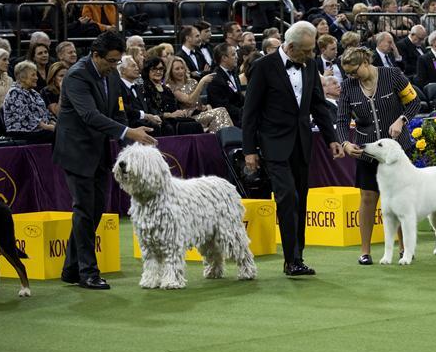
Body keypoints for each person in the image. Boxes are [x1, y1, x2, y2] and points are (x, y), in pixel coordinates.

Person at [54, 31, 158, 290]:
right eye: (111, 61)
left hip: (100, 151)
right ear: (96, 55)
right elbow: (89, 115)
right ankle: (87, 272)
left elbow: (118, 113)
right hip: (76, 151)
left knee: (96, 209)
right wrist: (128, 132)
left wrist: (131, 145)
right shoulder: (77, 75)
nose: (115, 66)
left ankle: (70, 268)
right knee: (84, 209)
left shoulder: (111, 76)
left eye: (117, 61)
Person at [242, 21, 344, 277]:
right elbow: (250, 112)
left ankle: (296, 258)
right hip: (273, 144)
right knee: (288, 198)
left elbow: (318, 105)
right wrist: (249, 149)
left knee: (301, 201)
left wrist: (332, 138)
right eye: (307, 51)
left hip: (302, 143)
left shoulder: (309, 66)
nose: (311, 56)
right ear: (290, 46)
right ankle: (291, 259)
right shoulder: (263, 67)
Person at [336, 46, 421, 265]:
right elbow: (342, 119)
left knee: (401, 200)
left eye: (355, 71)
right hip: (368, 152)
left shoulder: (392, 74)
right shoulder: (347, 87)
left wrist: (401, 120)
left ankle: (404, 248)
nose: (351, 76)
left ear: (365, 62)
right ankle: (365, 251)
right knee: (367, 198)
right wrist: (345, 142)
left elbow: (414, 102)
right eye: (348, 73)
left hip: (397, 151)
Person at [165, 57, 233, 133]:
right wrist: (202, 82)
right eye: (177, 69)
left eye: (182, 68)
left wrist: (206, 107)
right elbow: (189, 101)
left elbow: (198, 104)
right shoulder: (170, 87)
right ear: (171, 71)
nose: (181, 71)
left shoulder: (192, 82)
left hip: (199, 114)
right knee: (220, 112)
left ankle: (226, 139)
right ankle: (227, 140)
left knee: (221, 112)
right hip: (188, 118)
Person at [3, 61, 56, 143]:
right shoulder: (15, 92)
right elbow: (26, 117)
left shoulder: (34, 93)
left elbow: (45, 112)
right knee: (55, 134)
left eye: (36, 75)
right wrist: (48, 127)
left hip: (38, 129)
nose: (36, 78)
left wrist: (53, 123)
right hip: (21, 130)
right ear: (22, 78)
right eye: (33, 75)